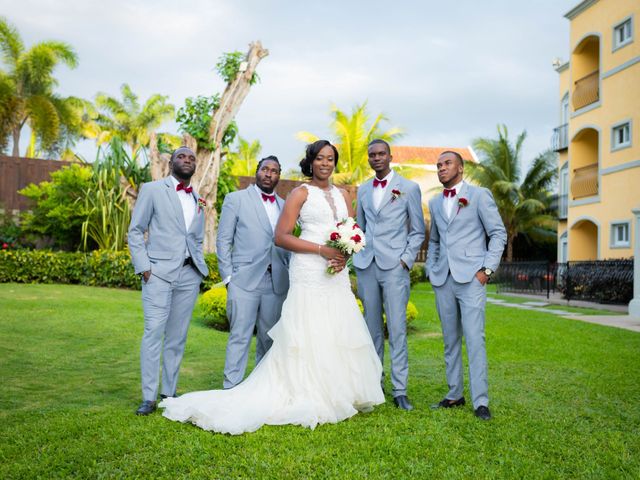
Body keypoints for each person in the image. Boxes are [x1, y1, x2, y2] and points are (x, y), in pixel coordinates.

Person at [159, 140, 384, 434]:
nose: (325, 163)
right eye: (319, 158)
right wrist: (322, 250)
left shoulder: (344, 195)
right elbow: (281, 236)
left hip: (335, 273)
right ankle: (279, 389)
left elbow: (349, 231)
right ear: (310, 162)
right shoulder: (299, 193)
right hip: (309, 270)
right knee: (306, 330)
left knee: (335, 329)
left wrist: (344, 257)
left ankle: (336, 391)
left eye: (330, 158)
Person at [128, 146, 209, 416]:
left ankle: (169, 393)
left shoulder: (197, 198)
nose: (187, 160)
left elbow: (194, 238)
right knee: (153, 332)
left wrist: (199, 268)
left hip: (189, 275)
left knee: (177, 337)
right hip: (159, 273)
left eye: (191, 158)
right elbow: (136, 230)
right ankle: (149, 397)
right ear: (170, 163)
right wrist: (145, 268)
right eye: (181, 157)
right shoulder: (152, 190)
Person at [426, 150, 506, 421]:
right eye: (438, 165)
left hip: (472, 278)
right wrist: (431, 267)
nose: (441, 168)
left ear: (460, 168)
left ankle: (480, 401)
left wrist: (487, 269)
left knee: (474, 339)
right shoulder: (436, 202)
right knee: (450, 340)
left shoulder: (480, 195)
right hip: (443, 279)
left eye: (446, 163)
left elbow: (497, 233)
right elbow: (435, 240)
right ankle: (454, 394)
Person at [353, 139, 425, 411]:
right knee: (371, 330)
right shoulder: (362, 189)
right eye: (372, 155)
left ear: (390, 156)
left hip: (395, 267)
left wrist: (405, 261)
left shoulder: (408, 188)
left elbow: (418, 230)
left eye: (381, 154)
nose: (377, 158)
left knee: (396, 329)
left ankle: (400, 390)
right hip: (366, 265)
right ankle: (374, 383)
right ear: (369, 159)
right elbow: (359, 227)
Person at [216, 155, 290, 389]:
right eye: (265, 169)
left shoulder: (284, 204)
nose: (269, 174)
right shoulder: (236, 199)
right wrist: (228, 278)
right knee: (240, 336)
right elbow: (223, 240)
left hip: (276, 281)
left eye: (275, 171)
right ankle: (231, 387)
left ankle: (261, 390)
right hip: (243, 281)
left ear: (279, 175)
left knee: (269, 339)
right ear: (256, 171)